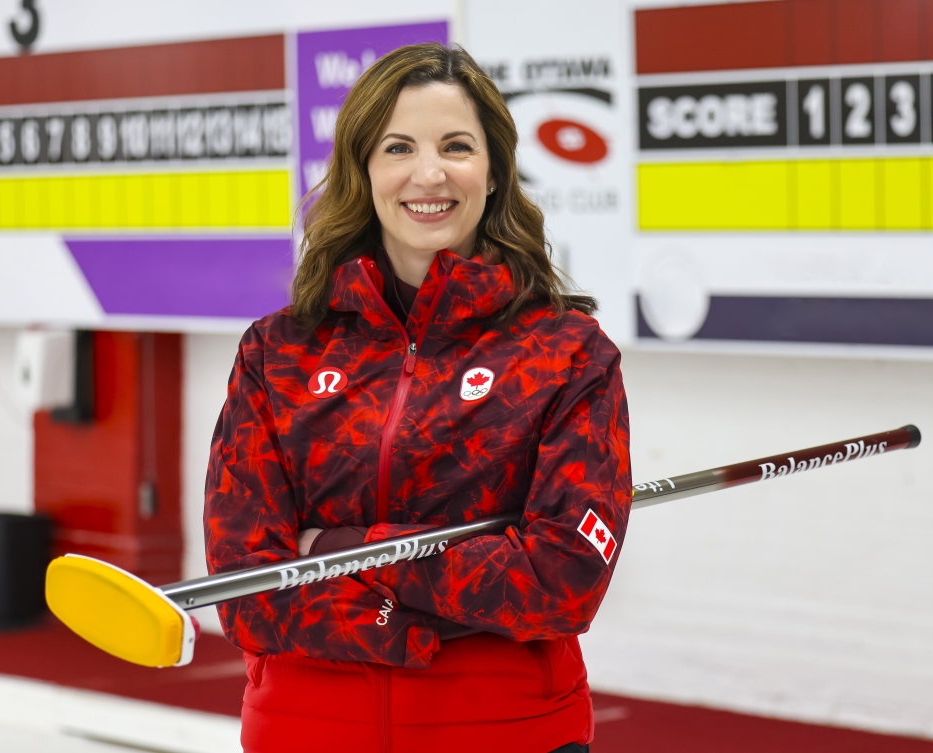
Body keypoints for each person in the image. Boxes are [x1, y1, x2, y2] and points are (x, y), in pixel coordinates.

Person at [204, 42, 631, 753]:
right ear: (364, 168)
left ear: (492, 171)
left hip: (509, 733)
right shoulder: (277, 352)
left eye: (456, 146)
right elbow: (246, 587)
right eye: (398, 146)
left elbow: (561, 581)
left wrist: (336, 548)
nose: (428, 173)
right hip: (307, 732)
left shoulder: (566, 353)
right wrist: (410, 615)